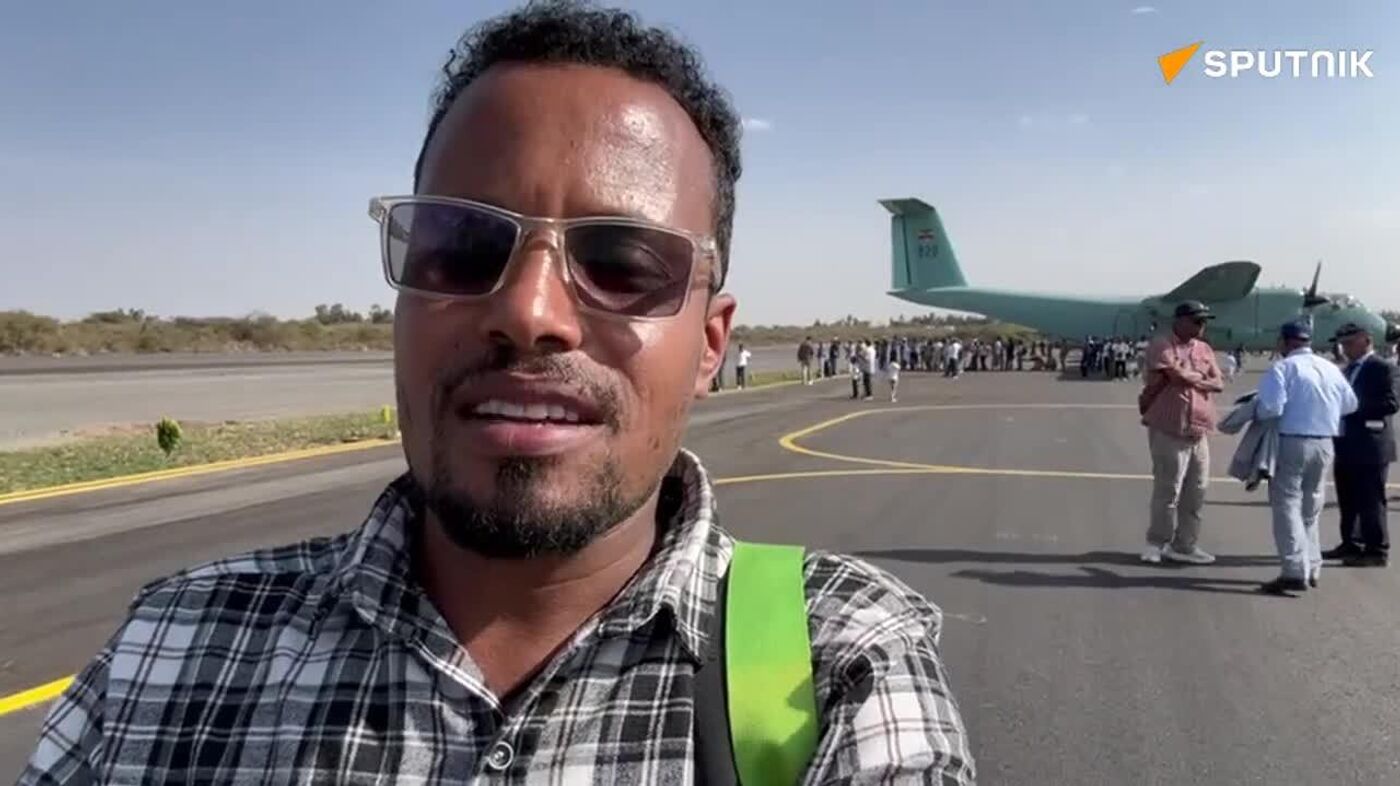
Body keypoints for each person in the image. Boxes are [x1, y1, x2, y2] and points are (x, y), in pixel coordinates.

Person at [17, 4, 975, 783]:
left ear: (711, 345)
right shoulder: (176, 650)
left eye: (623, 264)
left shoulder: (838, 664)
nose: (529, 312)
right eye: (461, 246)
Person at [1254, 320, 1358, 594]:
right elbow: (1350, 404)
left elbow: (1272, 407)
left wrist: (1254, 410)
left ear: (1285, 342)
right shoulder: (1330, 368)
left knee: (1287, 506)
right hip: (1324, 442)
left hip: (1292, 441)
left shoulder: (1283, 367)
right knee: (1311, 509)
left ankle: (1293, 570)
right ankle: (1312, 565)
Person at [1139, 301, 1224, 564]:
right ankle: (1156, 542)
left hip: (1199, 430)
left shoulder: (1204, 349)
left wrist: (1192, 376)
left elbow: (1218, 382)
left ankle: (1185, 544)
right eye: (1197, 321)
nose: (1202, 326)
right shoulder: (1162, 345)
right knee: (1168, 490)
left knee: (1196, 492)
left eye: (1204, 321)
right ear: (1180, 321)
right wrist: (1200, 378)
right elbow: (1175, 377)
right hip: (1170, 427)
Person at [1323, 323, 1399, 567]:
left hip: (1371, 445)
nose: (1345, 349)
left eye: (1349, 343)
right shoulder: (1347, 369)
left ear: (1366, 340)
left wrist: (1352, 407)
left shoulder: (1383, 367)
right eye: (1342, 344)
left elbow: (1391, 402)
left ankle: (1376, 550)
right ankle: (1351, 543)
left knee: (1371, 500)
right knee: (1348, 498)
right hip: (1346, 443)